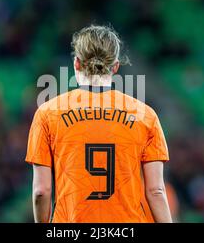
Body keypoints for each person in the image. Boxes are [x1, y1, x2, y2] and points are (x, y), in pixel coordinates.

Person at [26, 25, 172, 223]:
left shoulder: (47, 113)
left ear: (76, 63)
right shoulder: (145, 115)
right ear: (115, 67)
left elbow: (41, 191)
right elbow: (155, 191)